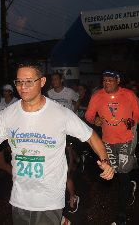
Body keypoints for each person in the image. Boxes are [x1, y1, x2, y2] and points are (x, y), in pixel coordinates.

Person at [0, 60, 114, 225]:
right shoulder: (8, 114)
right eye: (19, 82)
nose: (22, 86)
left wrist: (105, 160)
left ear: (42, 82)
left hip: (49, 199)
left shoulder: (60, 113)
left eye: (28, 81)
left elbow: (91, 136)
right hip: (20, 198)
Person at [85, 69, 139, 225]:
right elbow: (89, 115)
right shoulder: (97, 96)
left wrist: (133, 121)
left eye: (110, 80)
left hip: (126, 139)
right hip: (108, 141)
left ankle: (121, 213)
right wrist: (94, 119)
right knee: (113, 172)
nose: (106, 83)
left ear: (118, 81)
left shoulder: (129, 94)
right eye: (104, 80)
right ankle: (129, 185)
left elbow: (138, 113)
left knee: (122, 174)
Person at [47, 72, 81, 213]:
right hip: (54, 132)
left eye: (56, 79)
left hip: (67, 129)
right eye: (52, 80)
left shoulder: (70, 92)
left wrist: (73, 111)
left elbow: (78, 99)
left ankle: (73, 196)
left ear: (61, 80)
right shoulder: (49, 93)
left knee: (66, 171)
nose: (54, 81)